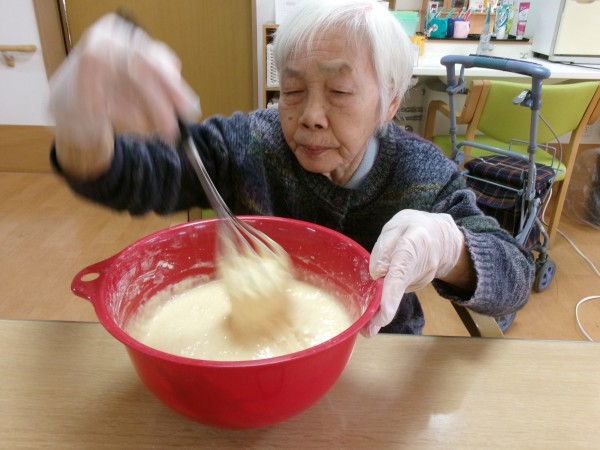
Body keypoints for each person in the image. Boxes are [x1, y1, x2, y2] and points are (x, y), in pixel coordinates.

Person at [48, 0, 534, 337]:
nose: (310, 115)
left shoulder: (421, 173)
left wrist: (449, 249)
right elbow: (125, 176)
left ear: (389, 103)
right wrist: (80, 125)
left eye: (339, 92)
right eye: (294, 90)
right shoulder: (248, 144)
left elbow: (513, 278)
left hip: (378, 358)